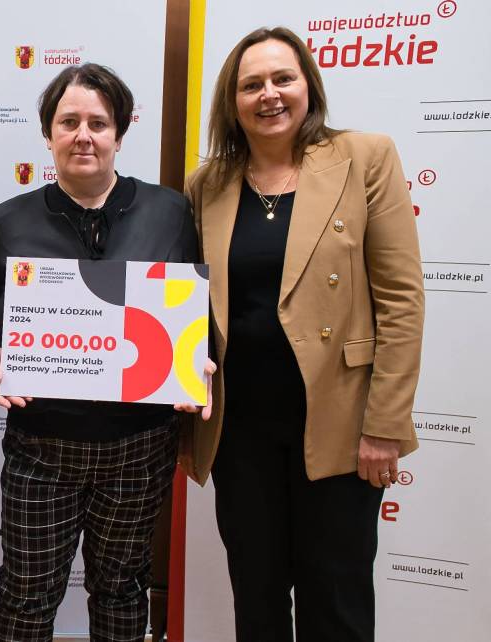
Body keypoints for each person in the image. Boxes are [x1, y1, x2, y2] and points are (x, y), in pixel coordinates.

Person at [182, 26, 424, 642]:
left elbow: (401, 300)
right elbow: (189, 307)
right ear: (232, 101)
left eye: (282, 78)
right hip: (239, 433)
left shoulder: (365, 157)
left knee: (336, 601)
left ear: (308, 86)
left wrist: (385, 425)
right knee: (256, 601)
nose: (269, 94)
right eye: (251, 85)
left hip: (342, 426)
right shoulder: (207, 185)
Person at [0, 63, 209, 642]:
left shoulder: (170, 213)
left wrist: (200, 358)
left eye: (98, 123)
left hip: (139, 445)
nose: (83, 136)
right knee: (25, 595)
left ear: (120, 132)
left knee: (122, 589)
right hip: (42, 446)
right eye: (69, 122)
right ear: (48, 134)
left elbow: (197, 311)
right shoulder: (11, 219)